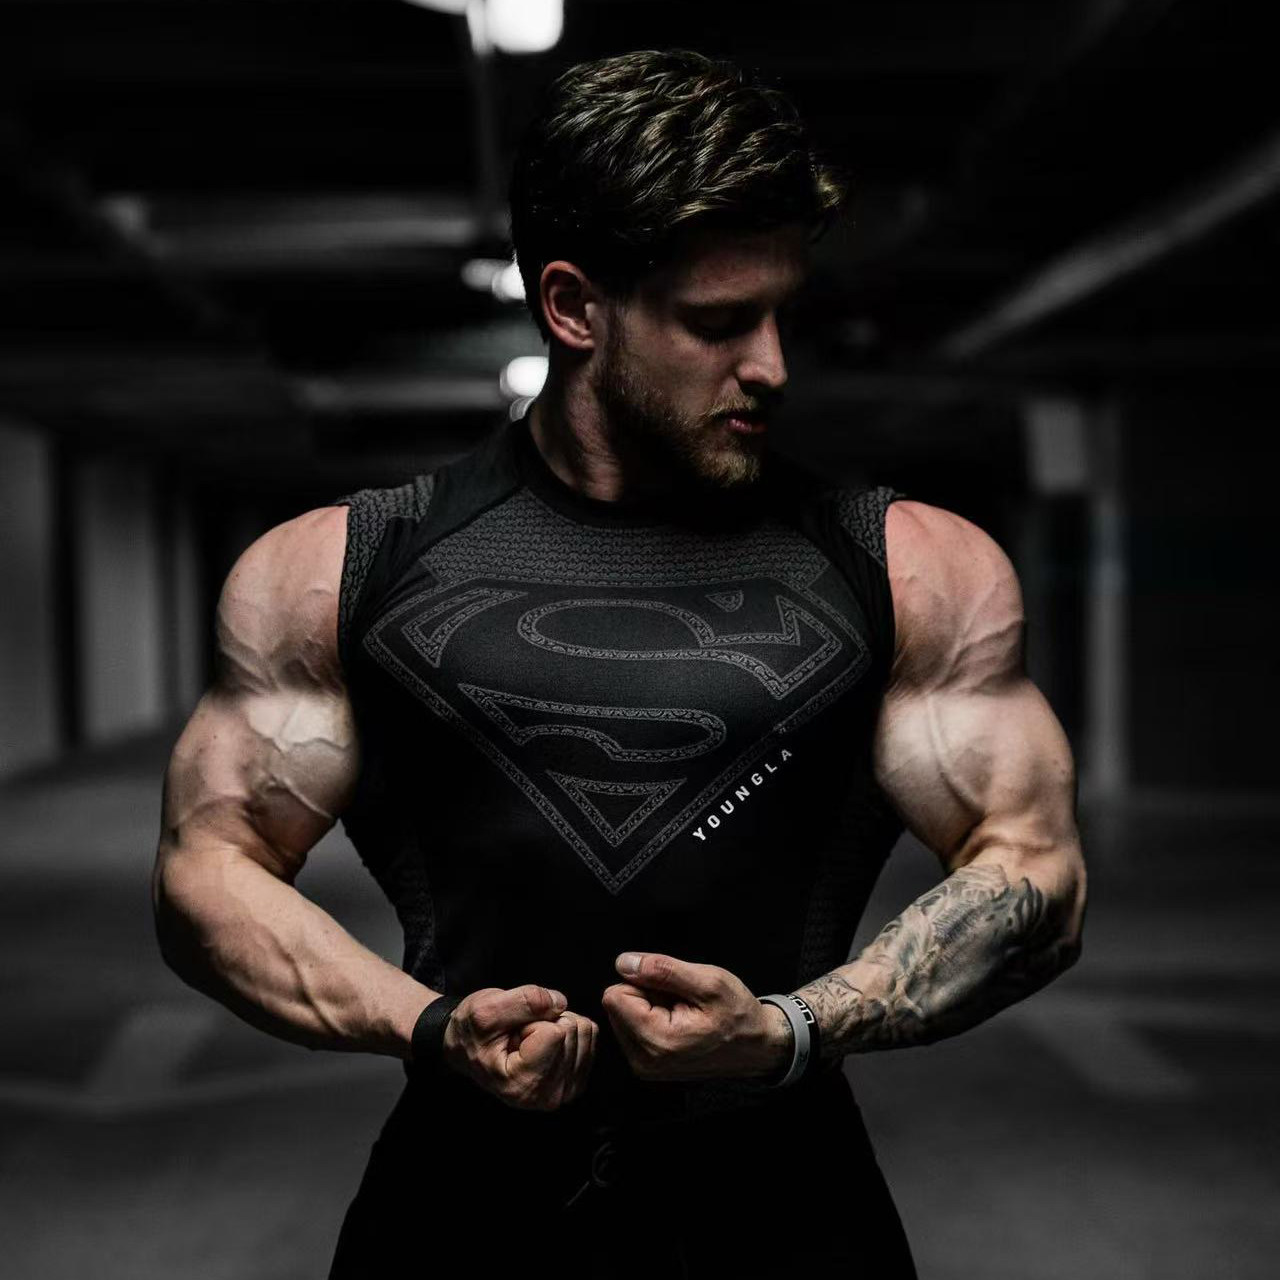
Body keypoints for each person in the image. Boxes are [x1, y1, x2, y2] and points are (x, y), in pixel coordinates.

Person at [152, 48, 1086, 1277]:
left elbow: (1035, 872)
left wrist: (791, 1029)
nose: (772, 364)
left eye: (780, 313)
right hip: (453, 1217)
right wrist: (427, 1025)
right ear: (573, 308)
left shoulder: (910, 569)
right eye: (717, 322)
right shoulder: (337, 571)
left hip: (791, 1214)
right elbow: (207, 870)